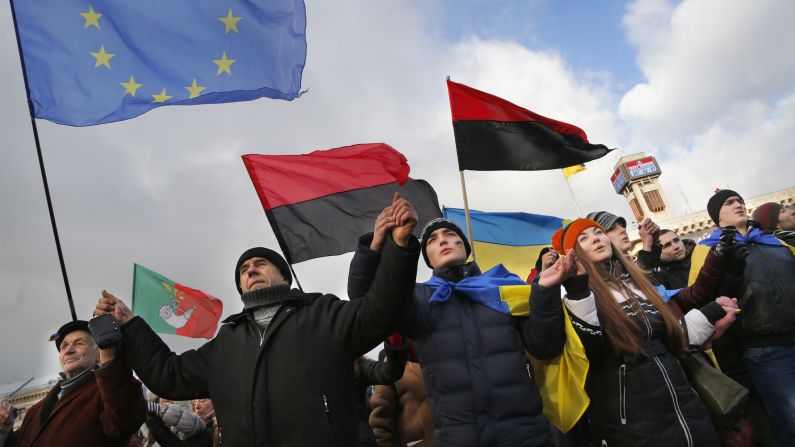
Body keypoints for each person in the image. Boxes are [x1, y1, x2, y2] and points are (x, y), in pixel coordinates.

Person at [94, 194, 421, 446]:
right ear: (241, 286)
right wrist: (130, 324)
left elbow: (381, 312)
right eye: (244, 268)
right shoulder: (226, 343)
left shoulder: (323, 313)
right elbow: (168, 376)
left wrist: (398, 247)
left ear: (283, 277)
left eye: (260, 263)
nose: (251, 269)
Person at [348, 217, 567, 447]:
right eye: (432, 240)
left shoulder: (504, 285)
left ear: (465, 246)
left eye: (450, 235)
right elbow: (366, 300)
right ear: (428, 260)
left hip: (528, 436)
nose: (443, 241)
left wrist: (546, 292)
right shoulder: (417, 300)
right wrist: (375, 244)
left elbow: (545, 346)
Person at [553, 218, 738, 446]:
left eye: (597, 232)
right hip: (636, 424)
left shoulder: (637, 284)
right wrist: (578, 290)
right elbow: (593, 352)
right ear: (575, 254)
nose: (595, 238)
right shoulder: (579, 298)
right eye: (584, 238)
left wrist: (712, 312)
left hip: (686, 408)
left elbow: (671, 340)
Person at [700, 190, 795, 446]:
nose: (737, 205)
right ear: (716, 217)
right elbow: (703, 299)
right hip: (767, 350)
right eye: (729, 203)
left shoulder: (775, 242)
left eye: (740, 201)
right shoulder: (706, 251)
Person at [0, 320, 147, 447]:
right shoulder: (35, 410)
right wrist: (4, 430)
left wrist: (110, 360)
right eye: (64, 346)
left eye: (79, 343)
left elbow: (123, 421)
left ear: (99, 353)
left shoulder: (109, 390)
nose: (68, 350)